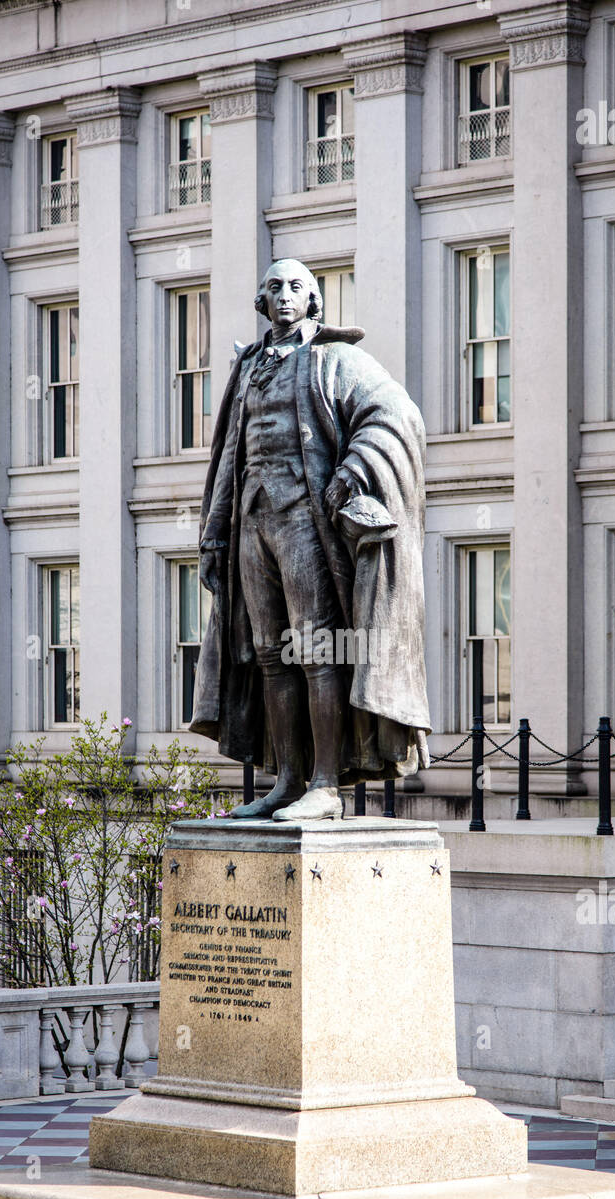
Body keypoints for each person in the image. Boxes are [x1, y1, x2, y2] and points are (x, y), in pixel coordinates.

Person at [189, 258, 430, 820]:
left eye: (296, 286)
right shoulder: (248, 368)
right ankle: (289, 781)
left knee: (317, 650)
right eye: (273, 286)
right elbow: (231, 455)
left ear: (314, 301)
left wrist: (355, 468)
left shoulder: (336, 359)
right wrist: (214, 536)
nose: (284, 294)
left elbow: (397, 412)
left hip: (305, 520)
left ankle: (325, 784)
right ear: (261, 301)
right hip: (252, 522)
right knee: (272, 656)